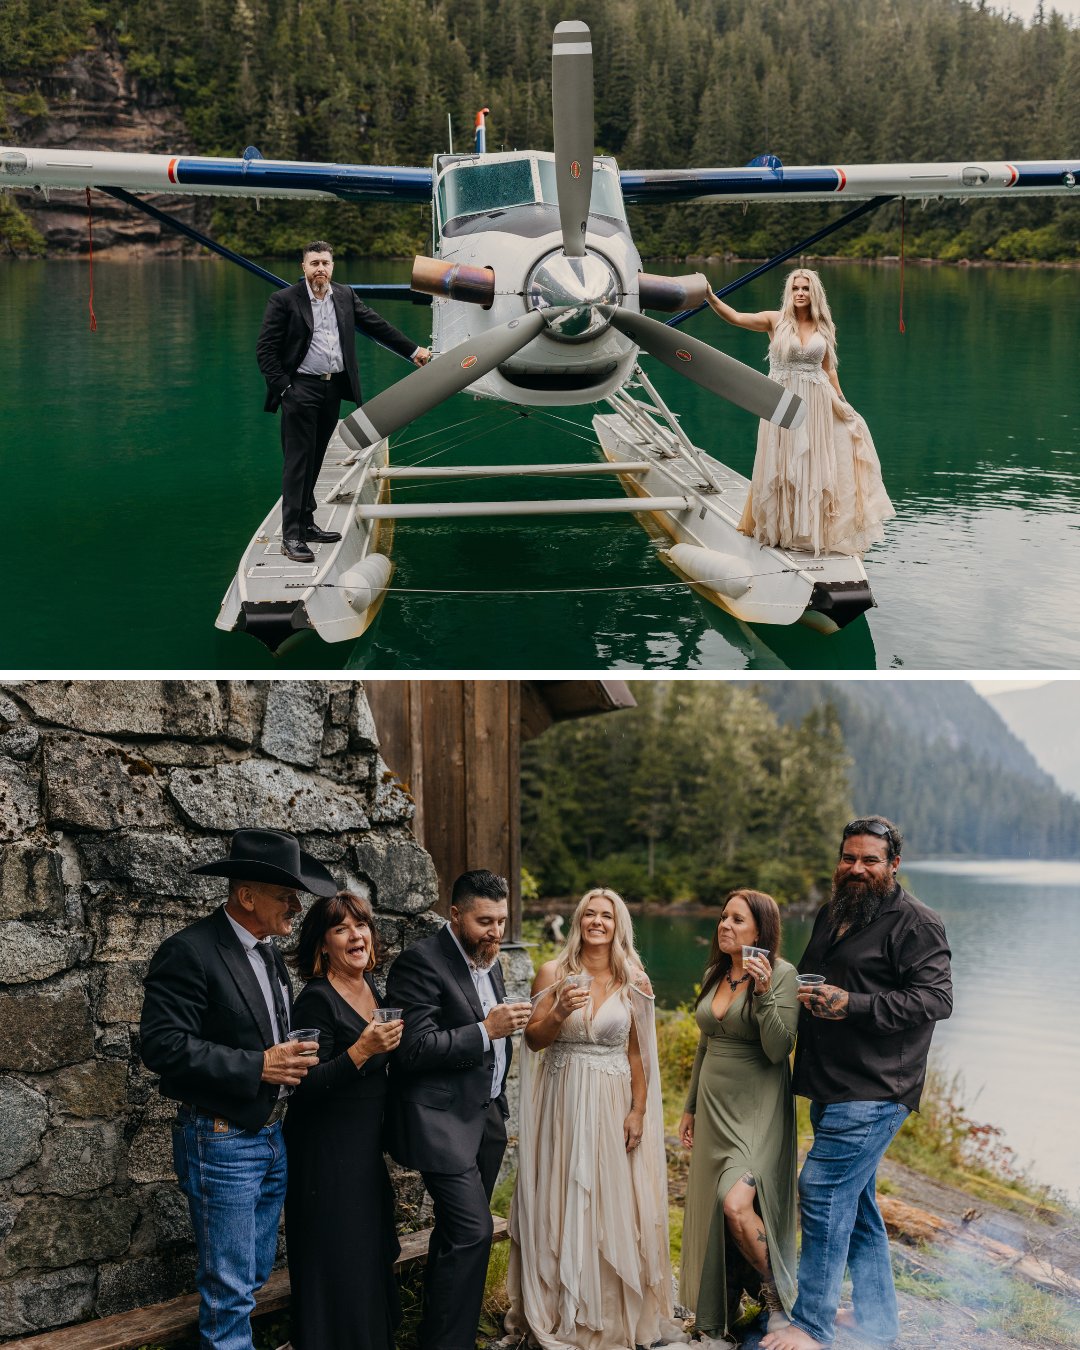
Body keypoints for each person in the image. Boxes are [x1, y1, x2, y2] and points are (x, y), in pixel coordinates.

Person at [140, 827, 336, 1350]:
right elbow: (160, 1047)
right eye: (284, 895)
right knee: (229, 1297)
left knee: (249, 1281)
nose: (296, 906)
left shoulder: (270, 953)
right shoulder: (189, 951)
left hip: (271, 1138)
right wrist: (259, 1065)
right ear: (246, 896)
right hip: (221, 1139)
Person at [761, 816, 953, 1350]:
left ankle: (811, 1327)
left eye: (870, 860)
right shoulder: (834, 912)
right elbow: (811, 976)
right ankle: (877, 1323)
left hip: (876, 1088)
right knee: (859, 1208)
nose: (857, 868)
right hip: (830, 1085)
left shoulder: (917, 923)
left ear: (893, 864)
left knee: (821, 1193)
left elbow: (937, 1000)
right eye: (849, 858)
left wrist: (853, 1004)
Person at [504, 886, 683, 1350]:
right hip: (563, 1100)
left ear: (618, 924)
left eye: (606, 915)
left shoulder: (635, 980)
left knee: (610, 1198)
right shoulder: (553, 972)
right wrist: (560, 1010)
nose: (596, 921)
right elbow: (535, 1041)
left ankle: (610, 1315)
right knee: (561, 1195)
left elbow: (640, 1056)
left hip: (611, 1101)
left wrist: (639, 1110)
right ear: (579, 919)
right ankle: (559, 1311)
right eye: (589, 913)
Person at [383, 869, 533, 1350]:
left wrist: (499, 1106)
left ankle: (445, 1335)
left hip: (486, 1118)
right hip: (439, 1121)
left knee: (456, 1233)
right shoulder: (420, 963)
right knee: (474, 1229)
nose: (495, 933)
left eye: (502, 921)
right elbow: (412, 1049)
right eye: (484, 921)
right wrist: (486, 1030)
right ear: (455, 914)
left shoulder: (491, 961)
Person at [255, 240, 431, 563]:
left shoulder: (345, 295)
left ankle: (307, 523)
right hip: (300, 390)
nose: (320, 268)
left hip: (332, 388)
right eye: (314, 263)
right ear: (303, 268)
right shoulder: (284, 301)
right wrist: (285, 390)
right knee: (297, 462)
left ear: (332, 267)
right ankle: (291, 535)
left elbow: (378, 325)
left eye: (325, 262)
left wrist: (413, 350)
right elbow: (265, 351)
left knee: (316, 458)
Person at [282, 890, 405, 1350]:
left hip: (362, 1147)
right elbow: (305, 1086)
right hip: (325, 1152)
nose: (356, 935)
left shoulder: (373, 988)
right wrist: (363, 1050)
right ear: (322, 946)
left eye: (361, 925)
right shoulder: (316, 1000)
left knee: (371, 1253)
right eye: (341, 929)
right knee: (339, 1259)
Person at [678, 889, 799, 1345]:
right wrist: (689, 1106)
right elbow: (705, 1043)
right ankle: (720, 1312)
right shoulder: (716, 974)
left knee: (736, 1203)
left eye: (738, 920)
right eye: (723, 916)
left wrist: (765, 991)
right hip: (713, 1109)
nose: (725, 925)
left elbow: (778, 1048)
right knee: (718, 1212)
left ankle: (777, 1297)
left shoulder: (782, 975)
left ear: (761, 932)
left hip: (759, 1111)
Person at [705, 269, 894, 557]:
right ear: (789, 292)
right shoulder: (775, 320)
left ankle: (810, 531)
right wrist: (709, 295)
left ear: (814, 292)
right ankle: (781, 529)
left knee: (812, 464)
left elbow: (829, 369)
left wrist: (843, 402)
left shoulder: (825, 326)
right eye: (795, 288)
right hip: (781, 401)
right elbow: (735, 317)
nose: (800, 293)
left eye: (805, 288)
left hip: (816, 403)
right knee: (782, 463)